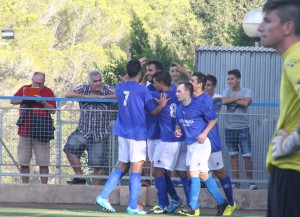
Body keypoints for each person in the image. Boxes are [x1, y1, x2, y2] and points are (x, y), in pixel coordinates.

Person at [95, 59, 167, 214]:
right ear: (140, 73)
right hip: (137, 133)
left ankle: (103, 196)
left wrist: (136, 70)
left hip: (122, 132)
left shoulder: (120, 87)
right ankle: (132, 206)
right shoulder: (143, 90)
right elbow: (153, 111)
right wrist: (161, 105)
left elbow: (131, 84)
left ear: (128, 72)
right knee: (136, 169)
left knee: (122, 165)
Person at [258, 1, 300, 217]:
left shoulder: (295, 58)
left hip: (292, 171)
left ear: (287, 27)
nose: (259, 28)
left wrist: (290, 143)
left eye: (267, 21)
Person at [175, 81, 228, 216]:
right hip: (190, 146)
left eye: (179, 91)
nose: (176, 93)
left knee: (193, 172)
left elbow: (214, 118)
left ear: (187, 92)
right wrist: (177, 131)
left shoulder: (199, 105)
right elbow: (178, 125)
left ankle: (193, 207)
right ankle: (222, 202)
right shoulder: (179, 109)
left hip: (201, 145)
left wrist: (204, 133)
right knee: (203, 175)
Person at [191, 72, 236, 215]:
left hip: (212, 142)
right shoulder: (194, 98)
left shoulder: (213, 99)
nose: (206, 88)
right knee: (198, 174)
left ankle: (230, 203)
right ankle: (196, 206)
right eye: (205, 86)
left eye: (209, 86)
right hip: (198, 143)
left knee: (219, 172)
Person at [63, 70, 115, 185]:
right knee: (69, 149)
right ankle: (80, 177)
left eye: (100, 80)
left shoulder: (107, 90)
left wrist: (103, 98)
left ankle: (94, 191)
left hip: (101, 134)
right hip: (83, 131)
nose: (98, 83)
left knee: (98, 164)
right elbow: (68, 94)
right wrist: (87, 97)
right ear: (89, 82)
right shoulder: (83, 88)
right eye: (95, 81)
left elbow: (119, 95)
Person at [147, 71, 187, 214]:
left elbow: (142, 94)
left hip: (168, 140)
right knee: (174, 172)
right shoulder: (178, 94)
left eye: (155, 83)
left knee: (157, 171)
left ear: (162, 83)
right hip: (178, 139)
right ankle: (181, 201)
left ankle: (162, 204)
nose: (153, 85)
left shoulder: (160, 96)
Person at [10, 72, 56, 184]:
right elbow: (12, 100)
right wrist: (25, 98)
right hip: (25, 129)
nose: (37, 86)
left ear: (44, 83)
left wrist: (42, 102)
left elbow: (53, 110)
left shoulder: (48, 91)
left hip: (41, 130)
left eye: (40, 84)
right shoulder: (25, 88)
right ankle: (24, 186)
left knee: (43, 161)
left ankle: (44, 186)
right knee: (24, 160)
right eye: (35, 83)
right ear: (32, 80)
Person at [221, 69, 257, 190]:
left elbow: (246, 103)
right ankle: (236, 182)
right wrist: (237, 99)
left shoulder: (246, 90)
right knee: (233, 156)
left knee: (247, 156)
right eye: (228, 79)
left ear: (238, 79)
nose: (229, 81)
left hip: (243, 129)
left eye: (232, 79)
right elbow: (223, 101)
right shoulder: (227, 91)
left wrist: (237, 100)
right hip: (229, 129)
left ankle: (251, 183)